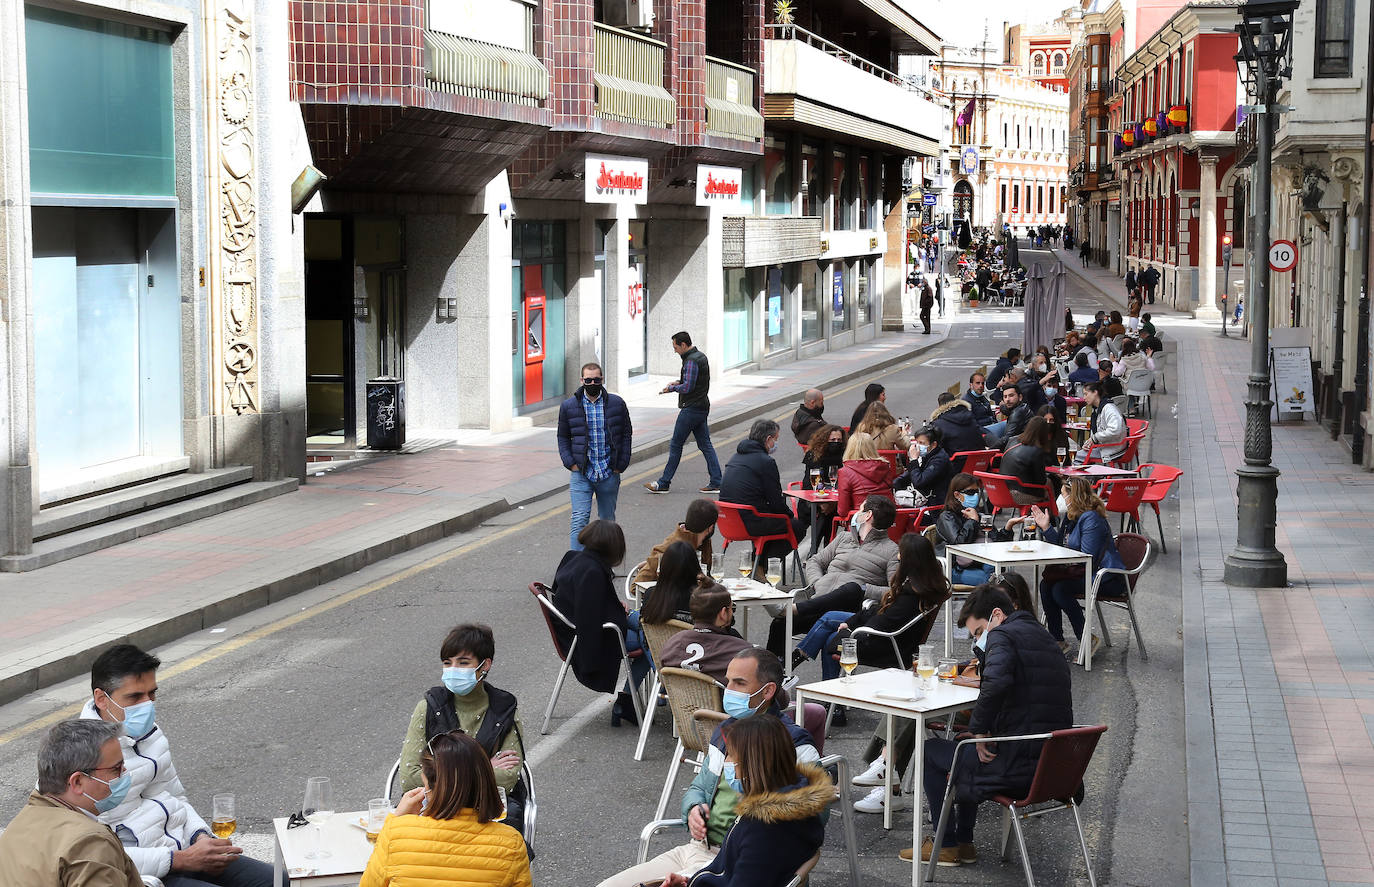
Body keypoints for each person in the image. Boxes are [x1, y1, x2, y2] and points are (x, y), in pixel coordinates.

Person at [596, 649, 819, 887]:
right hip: (697, 850)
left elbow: (810, 815)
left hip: (734, 861)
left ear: (767, 691)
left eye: (739, 683)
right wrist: (692, 808)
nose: (728, 689)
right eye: (728, 680)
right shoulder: (725, 732)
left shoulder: (793, 744)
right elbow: (699, 786)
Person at [79, 644, 274, 887]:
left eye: (152, 694)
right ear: (101, 699)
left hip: (186, 851)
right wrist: (178, 860)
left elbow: (175, 797)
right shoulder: (78, 754)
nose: (147, 704)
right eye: (135, 697)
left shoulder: (151, 734)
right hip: (144, 875)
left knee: (281, 881)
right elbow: (87, 854)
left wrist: (200, 836)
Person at [906, 584, 1072, 865]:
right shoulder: (1042, 636)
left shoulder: (1004, 636)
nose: (979, 641)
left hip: (1018, 765)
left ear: (997, 615)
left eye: (979, 632)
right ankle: (964, 843)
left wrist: (981, 730)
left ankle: (946, 845)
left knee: (930, 752)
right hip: (1052, 766)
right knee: (962, 744)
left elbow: (994, 685)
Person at [659, 715, 831, 887]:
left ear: (753, 765)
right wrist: (688, 882)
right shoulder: (783, 810)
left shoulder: (763, 829)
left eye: (731, 756)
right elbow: (730, 872)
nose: (726, 763)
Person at [397, 625, 529, 845]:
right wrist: (485, 766)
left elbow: (508, 779)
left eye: (463, 663)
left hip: (486, 808)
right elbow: (409, 778)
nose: (453, 669)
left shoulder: (504, 708)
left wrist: (439, 774)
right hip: (434, 807)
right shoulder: (429, 706)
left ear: (485, 665)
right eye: (448, 663)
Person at [363, 731, 531, 887]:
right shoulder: (511, 844)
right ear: (486, 779)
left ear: (429, 787)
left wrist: (397, 819)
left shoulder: (396, 833)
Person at [0, 719, 143, 887]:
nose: (124, 773)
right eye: (116, 768)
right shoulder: (91, 842)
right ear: (77, 782)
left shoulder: (18, 826)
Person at [792, 532, 949, 681]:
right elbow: (883, 611)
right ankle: (802, 654)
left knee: (832, 639)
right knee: (829, 617)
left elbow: (884, 621)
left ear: (910, 560)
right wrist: (852, 622)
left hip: (890, 645)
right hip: (889, 634)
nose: (898, 557)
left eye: (901, 553)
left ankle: (832, 697)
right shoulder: (924, 584)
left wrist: (850, 629)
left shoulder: (911, 594)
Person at [766, 495, 899, 655]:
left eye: (860, 510)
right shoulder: (844, 537)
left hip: (849, 610)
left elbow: (894, 591)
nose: (856, 514)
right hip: (819, 601)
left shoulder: (892, 551)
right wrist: (817, 581)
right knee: (780, 623)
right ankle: (775, 671)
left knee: (849, 591)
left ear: (867, 515)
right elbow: (815, 561)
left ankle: (791, 609)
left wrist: (864, 589)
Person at [550, 520, 649, 727]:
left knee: (648, 629)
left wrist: (613, 605)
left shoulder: (574, 558)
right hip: (597, 636)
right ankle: (629, 699)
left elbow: (590, 604)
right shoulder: (593, 572)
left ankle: (629, 701)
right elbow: (591, 617)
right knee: (653, 641)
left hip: (575, 629)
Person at [1030, 478, 1126, 657]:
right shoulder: (1071, 515)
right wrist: (1046, 527)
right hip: (1085, 573)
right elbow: (1061, 546)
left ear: (1073, 497)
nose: (1061, 499)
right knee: (1046, 585)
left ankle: (1086, 639)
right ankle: (1058, 639)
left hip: (1106, 577)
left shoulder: (1091, 519)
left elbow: (1086, 556)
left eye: (1063, 494)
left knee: (1059, 589)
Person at [558, 361, 633, 550]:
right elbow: (563, 436)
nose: (592, 384)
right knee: (579, 520)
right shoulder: (569, 406)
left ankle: (605, 567)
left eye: (596, 380)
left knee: (608, 523)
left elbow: (626, 433)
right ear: (582, 380)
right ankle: (576, 565)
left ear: (602, 379)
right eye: (588, 380)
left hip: (608, 472)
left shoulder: (617, 403)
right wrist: (571, 463)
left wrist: (620, 465)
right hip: (581, 473)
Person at [720, 419, 805, 574]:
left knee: (775, 521)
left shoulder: (735, 457)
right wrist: (790, 516)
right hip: (750, 521)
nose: (775, 444)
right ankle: (760, 566)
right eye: (775, 440)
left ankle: (756, 563)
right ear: (768, 439)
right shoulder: (765, 462)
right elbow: (776, 501)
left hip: (728, 521)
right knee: (796, 527)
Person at [646, 332, 723, 494]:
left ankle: (664, 483)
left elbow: (688, 387)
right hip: (701, 405)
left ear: (683, 345)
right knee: (705, 444)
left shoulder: (691, 361)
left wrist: (672, 388)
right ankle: (717, 481)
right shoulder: (700, 356)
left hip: (692, 408)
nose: (674, 351)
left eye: (675, 347)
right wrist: (679, 382)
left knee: (676, 444)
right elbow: (693, 381)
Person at [657, 584, 752, 680]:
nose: (732, 612)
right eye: (732, 608)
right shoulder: (740, 651)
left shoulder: (672, 644)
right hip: (722, 695)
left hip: (676, 695)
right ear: (723, 613)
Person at [935, 473, 996, 586]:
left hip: (977, 563)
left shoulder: (978, 514)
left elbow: (995, 541)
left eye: (976, 492)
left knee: (998, 572)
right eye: (970, 492)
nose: (975, 496)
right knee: (989, 581)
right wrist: (972, 521)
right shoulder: (947, 516)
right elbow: (959, 544)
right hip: (953, 568)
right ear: (957, 495)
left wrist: (1008, 528)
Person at [640, 499, 718, 582]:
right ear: (710, 527)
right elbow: (636, 587)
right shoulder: (670, 547)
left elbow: (709, 576)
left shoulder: (704, 543)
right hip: (669, 594)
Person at [641, 541, 706, 625]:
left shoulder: (651, 594)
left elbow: (643, 623)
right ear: (695, 567)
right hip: (693, 638)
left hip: (656, 638)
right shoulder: (703, 600)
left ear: (664, 567)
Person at [835, 431, 894, 516]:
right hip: (889, 519)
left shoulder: (845, 471)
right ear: (872, 447)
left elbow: (843, 511)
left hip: (862, 518)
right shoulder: (884, 466)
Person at [999, 417, 1055, 506]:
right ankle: (1052, 514)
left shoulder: (1012, 441)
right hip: (1021, 495)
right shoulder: (1036, 451)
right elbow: (1041, 481)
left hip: (1003, 491)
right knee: (1049, 482)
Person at [896, 426, 952, 504]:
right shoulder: (928, 454)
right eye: (917, 442)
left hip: (934, 501)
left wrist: (914, 460)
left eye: (921, 443)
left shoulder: (939, 460)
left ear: (934, 444)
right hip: (925, 495)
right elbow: (912, 473)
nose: (918, 446)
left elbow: (918, 482)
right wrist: (896, 483)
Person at [1079, 382, 1126, 463]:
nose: (1084, 398)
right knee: (1080, 454)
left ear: (1095, 392)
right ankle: (1089, 474)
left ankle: (1080, 475)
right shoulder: (1097, 410)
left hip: (1113, 449)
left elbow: (1115, 430)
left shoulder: (1109, 408)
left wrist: (1094, 438)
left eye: (1086, 394)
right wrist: (1089, 443)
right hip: (1106, 446)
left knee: (1076, 456)